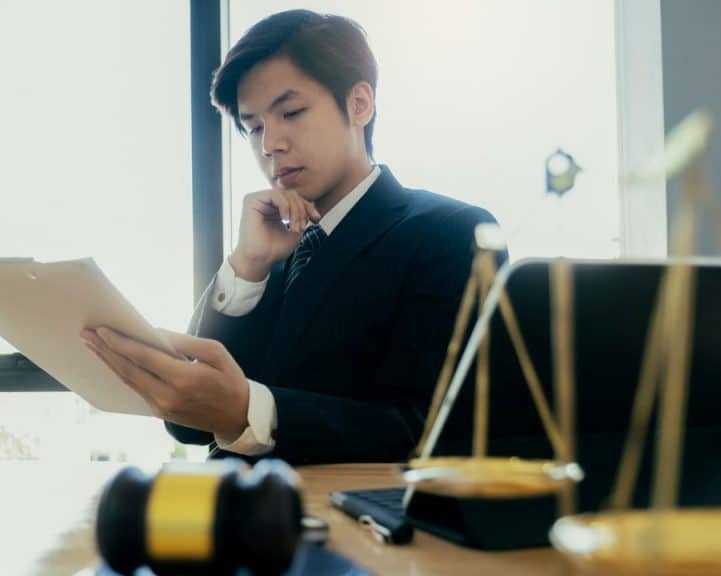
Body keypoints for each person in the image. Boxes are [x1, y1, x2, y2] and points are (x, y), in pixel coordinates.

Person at [81, 9, 499, 465]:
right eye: (254, 126)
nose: (269, 144)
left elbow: (425, 429)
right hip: (226, 512)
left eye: (292, 112)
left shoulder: (450, 233)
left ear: (359, 104)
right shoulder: (268, 247)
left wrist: (250, 410)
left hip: (348, 524)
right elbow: (186, 424)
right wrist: (246, 267)